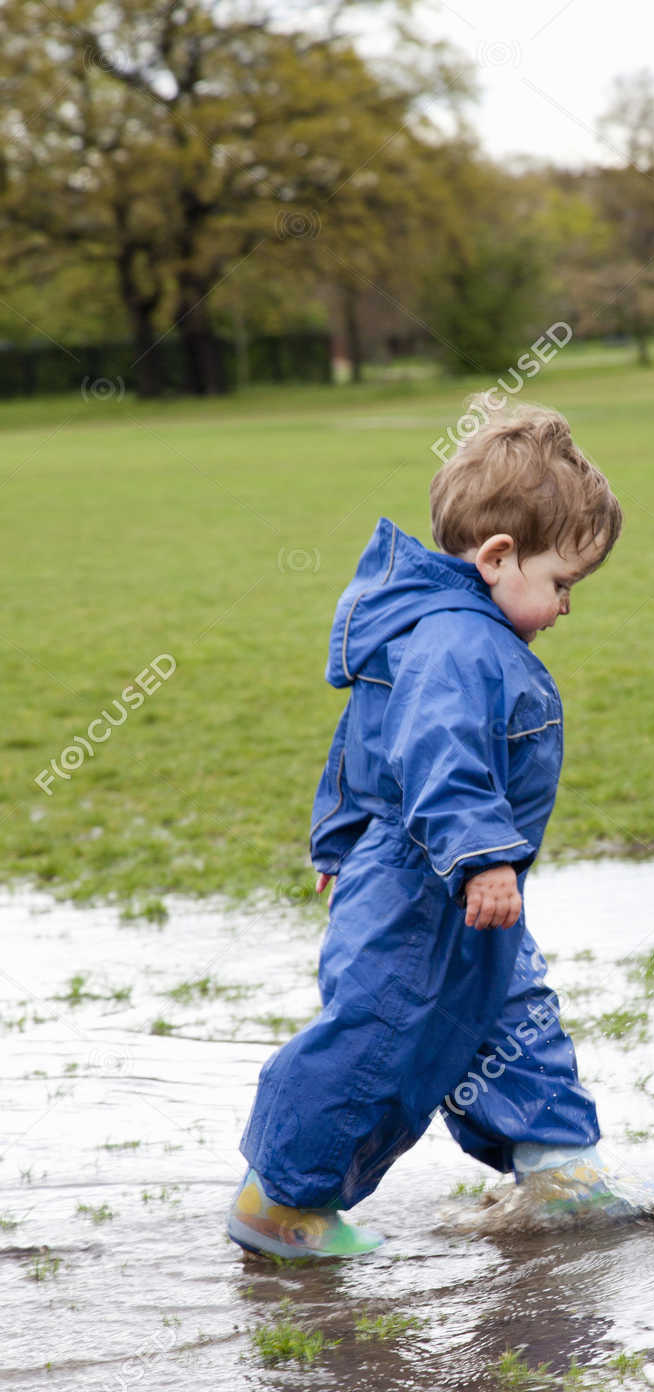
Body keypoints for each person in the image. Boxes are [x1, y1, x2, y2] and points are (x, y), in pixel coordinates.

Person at [229, 405, 628, 1259]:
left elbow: (358, 751)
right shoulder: (455, 642)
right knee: (380, 1031)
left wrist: (338, 839)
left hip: (462, 878)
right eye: (562, 584)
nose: (566, 607)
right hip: (423, 877)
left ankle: (559, 1164)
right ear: (497, 558)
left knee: (511, 1010)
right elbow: (434, 757)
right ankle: (282, 1203)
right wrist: (483, 858)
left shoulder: (456, 630)